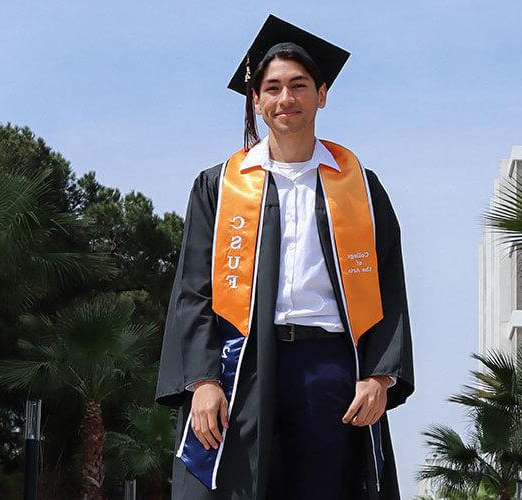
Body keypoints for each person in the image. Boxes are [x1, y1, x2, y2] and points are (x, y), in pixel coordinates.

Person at [155, 15, 414, 500]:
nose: (285, 99)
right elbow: (193, 291)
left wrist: (380, 374)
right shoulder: (220, 186)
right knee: (231, 487)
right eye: (272, 88)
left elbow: (389, 287)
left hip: (330, 367)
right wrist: (202, 381)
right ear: (256, 99)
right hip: (242, 363)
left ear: (322, 94)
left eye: (298, 85)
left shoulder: (358, 186)